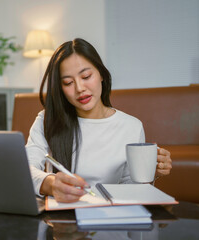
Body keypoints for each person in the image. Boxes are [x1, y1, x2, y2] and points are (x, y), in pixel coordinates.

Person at [26, 38, 172, 203]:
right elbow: (24, 170)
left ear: (101, 74)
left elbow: (131, 189)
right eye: (68, 82)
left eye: (86, 76)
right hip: (62, 219)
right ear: (60, 88)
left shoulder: (131, 126)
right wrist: (51, 184)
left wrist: (150, 172)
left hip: (110, 217)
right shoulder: (47, 119)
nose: (80, 88)